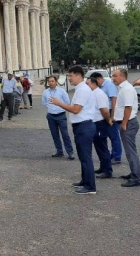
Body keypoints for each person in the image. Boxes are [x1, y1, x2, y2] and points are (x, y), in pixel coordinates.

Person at [51, 66, 96, 195]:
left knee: (86, 156)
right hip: (81, 125)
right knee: (82, 156)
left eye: (70, 76)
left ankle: (90, 186)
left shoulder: (82, 90)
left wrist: (59, 103)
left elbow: (76, 109)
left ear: (78, 76)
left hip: (84, 125)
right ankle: (85, 180)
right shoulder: (80, 89)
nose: (69, 78)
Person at [112, 69, 140, 187]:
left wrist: (124, 124)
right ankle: (134, 172)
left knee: (130, 151)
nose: (113, 78)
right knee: (129, 151)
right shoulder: (123, 88)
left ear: (122, 76)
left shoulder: (127, 89)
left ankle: (136, 177)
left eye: (115, 76)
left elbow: (128, 108)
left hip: (128, 123)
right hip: (126, 122)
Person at [90, 72, 122, 164]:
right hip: (104, 114)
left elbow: (114, 100)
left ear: (99, 79)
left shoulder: (109, 85)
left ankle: (117, 156)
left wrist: (112, 115)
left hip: (110, 111)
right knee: (106, 135)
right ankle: (112, 154)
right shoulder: (100, 88)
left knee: (114, 135)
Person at [42, 76, 74, 160]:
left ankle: (70, 152)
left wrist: (59, 105)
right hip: (51, 115)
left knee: (65, 134)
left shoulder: (62, 91)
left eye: (52, 81)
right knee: (55, 135)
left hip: (61, 115)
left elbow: (67, 102)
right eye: (49, 81)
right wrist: (51, 107)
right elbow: (44, 102)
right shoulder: (45, 92)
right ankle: (59, 151)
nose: (51, 83)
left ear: (56, 82)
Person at [86, 77, 113, 179]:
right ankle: (103, 167)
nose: (86, 86)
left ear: (94, 83)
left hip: (100, 123)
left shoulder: (99, 94)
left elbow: (104, 111)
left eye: (87, 83)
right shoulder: (93, 93)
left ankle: (107, 170)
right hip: (95, 123)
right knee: (98, 146)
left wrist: (108, 120)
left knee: (102, 147)